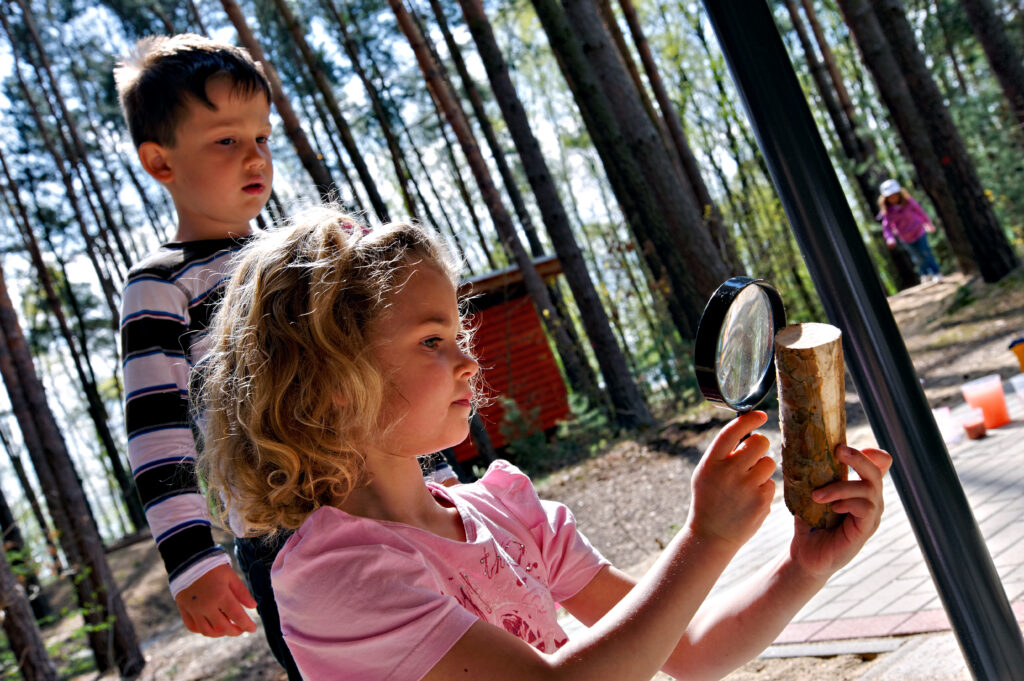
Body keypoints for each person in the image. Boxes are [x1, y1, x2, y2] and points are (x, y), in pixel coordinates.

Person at [197, 206, 892, 681]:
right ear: (331, 383)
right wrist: (705, 539)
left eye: (458, 334)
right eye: (432, 341)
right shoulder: (336, 576)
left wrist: (802, 567)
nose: (468, 360)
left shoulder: (502, 510)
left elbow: (685, 648)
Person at [114, 34, 303, 680]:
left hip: (386, 500)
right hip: (283, 535)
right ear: (160, 162)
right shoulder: (162, 285)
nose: (255, 156)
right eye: (226, 140)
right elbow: (157, 430)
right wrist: (191, 556)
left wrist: (434, 472)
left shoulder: (301, 258)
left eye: (262, 137)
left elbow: (376, 375)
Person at [878, 179, 943, 282]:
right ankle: (924, 274)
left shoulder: (908, 202)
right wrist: (890, 238)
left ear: (899, 193)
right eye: (890, 197)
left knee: (925, 252)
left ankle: (936, 272)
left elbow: (920, 211)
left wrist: (928, 223)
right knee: (917, 257)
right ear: (886, 198)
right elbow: (887, 227)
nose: (893, 198)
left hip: (919, 232)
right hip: (905, 238)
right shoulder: (887, 212)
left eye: (895, 195)